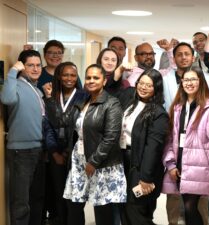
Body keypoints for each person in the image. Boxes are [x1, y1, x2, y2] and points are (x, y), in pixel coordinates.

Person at [63, 64, 126, 225]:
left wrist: (94, 161)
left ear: (104, 81)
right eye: (88, 77)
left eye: (96, 78)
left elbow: (111, 136)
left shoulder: (112, 103)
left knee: (102, 209)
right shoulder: (82, 100)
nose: (91, 81)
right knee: (74, 204)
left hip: (101, 161)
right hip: (79, 159)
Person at [163, 42, 209, 225]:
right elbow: (171, 138)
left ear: (201, 82)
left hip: (199, 164)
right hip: (180, 161)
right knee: (187, 209)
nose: (189, 83)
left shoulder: (208, 106)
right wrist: (170, 163)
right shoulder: (177, 107)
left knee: (190, 207)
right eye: (186, 80)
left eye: (193, 79)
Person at [117, 69, 169, 225]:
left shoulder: (159, 114)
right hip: (123, 161)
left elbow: (153, 149)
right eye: (141, 83)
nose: (144, 87)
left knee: (137, 213)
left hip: (140, 167)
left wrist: (145, 178)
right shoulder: (129, 102)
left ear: (156, 89)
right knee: (124, 210)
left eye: (149, 85)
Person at [1, 50, 46, 225]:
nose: (35, 68)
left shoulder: (35, 89)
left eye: (38, 65)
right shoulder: (16, 85)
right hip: (21, 151)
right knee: (21, 202)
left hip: (37, 149)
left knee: (36, 198)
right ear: (22, 67)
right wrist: (13, 71)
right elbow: (7, 99)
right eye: (30, 65)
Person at [42, 61, 87, 225]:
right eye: (66, 75)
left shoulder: (84, 96)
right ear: (59, 77)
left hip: (76, 154)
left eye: (73, 75)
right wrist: (55, 152)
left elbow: (81, 127)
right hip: (56, 155)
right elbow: (48, 126)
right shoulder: (51, 97)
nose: (69, 78)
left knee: (75, 199)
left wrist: (69, 151)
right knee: (59, 195)